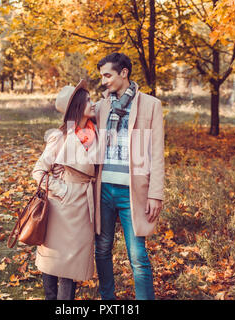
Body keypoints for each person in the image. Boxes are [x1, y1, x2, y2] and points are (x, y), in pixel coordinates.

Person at [94, 52, 165, 300]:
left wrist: (155, 194)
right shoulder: (101, 107)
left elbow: (156, 153)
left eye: (107, 75)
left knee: (137, 255)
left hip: (132, 193)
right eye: (102, 76)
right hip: (103, 190)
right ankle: (108, 300)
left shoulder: (150, 105)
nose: (104, 81)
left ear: (123, 73)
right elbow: (75, 122)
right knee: (102, 250)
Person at [31, 79, 98, 300]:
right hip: (62, 207)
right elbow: (38, 171)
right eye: (87, 99)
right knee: (54, 259)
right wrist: (63, 190)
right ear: (77, 105)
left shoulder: (94, 134)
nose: (92, 102)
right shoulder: (60, 137)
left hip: (84, 207)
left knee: (71, 263)